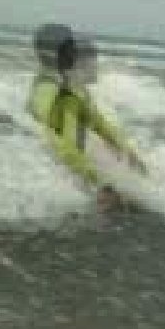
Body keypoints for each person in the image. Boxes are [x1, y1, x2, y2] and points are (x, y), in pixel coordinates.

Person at [25, 23, 147, 210]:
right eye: (90, 59)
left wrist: (130, 154)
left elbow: (101, 125)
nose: (95, 64)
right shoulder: (52, 93)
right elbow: (63, 145)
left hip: (73, 157)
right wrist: (100, 184)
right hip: (51, 164)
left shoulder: (75, 89)